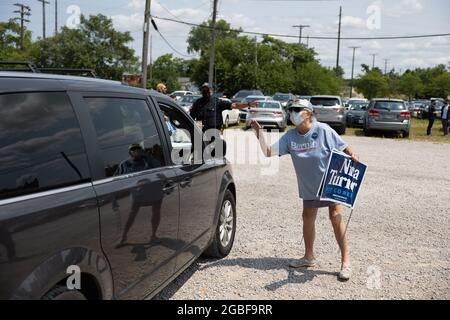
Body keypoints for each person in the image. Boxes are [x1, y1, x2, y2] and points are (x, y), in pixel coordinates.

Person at [251, 100, 359, 281]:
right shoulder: (291, 136)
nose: (292, 113)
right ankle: (309, 256)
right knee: (307, 217)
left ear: (308, 113)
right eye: (290, 110)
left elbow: (342, 146)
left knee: (335, 217)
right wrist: (259, 134)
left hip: (330, 182)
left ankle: (345, 262)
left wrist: (352, 154)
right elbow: (269, 152)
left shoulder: (323, 130)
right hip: (309, 186)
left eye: (296, 110)